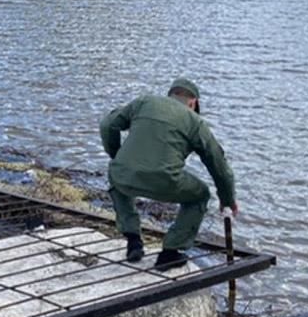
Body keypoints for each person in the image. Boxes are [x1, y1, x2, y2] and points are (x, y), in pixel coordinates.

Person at [100, 78, 237, 270]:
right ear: (193, 102)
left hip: (124, 176)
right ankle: (170, 253)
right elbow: (218, 164)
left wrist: (116, 156)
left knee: (118, 176)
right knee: (200, 195)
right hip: (165, 182)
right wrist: (227, 199)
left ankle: (133, 241)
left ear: (171, 95)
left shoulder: (144, 102)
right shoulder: (195, 121)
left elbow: (107, 125)